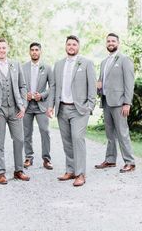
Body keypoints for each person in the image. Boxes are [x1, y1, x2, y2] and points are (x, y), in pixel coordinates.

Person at [47, 35, 96, 187]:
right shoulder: (59, 64)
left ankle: (81, 174)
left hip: (79, 109)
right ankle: (70, 170)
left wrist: (90, 106)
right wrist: (50, 105)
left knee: (77, 139)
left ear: (78, 47)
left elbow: (92, 86)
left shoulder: (86, 63)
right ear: (65, 46)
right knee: (67, 141)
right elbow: (53, 87)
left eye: (74, 44)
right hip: (62, 108)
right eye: (69, 44)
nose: (71, 46)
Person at [0, 38, 30, 184]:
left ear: (7, 49)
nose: (1, 50)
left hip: (15, 109)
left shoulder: (16, 64)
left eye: (4, 48)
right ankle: (1, 172)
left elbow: (23, 86)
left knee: (20, 140)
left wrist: (23, 105)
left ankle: (18, 170)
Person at [95, 33, 135, 172]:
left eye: (113, 41)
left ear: (118, 43)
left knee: (122, 132)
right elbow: (101, 81)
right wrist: (98, 86)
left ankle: (130, 162)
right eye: (108, 41)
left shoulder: (124, 59)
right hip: (106, 101)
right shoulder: (104, 62)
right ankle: (110, 159)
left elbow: (129, 83)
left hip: (119, 103)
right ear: (106, 44)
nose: (110, 43)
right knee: (109, 134)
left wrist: (127, 103)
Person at [22, 42, 53, 170]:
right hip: (27, 106)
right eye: (32, 50)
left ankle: (46, 158)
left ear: (40, 52)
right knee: (26, 132)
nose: (34, 52)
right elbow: (19, 86)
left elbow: (52, 87)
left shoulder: (47, 67)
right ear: (29, 52)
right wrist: (25, 95)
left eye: (37, 50)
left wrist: (42, 95)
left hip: (41, 105)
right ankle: (28, 157)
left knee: (45, 131)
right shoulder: (23, 67)